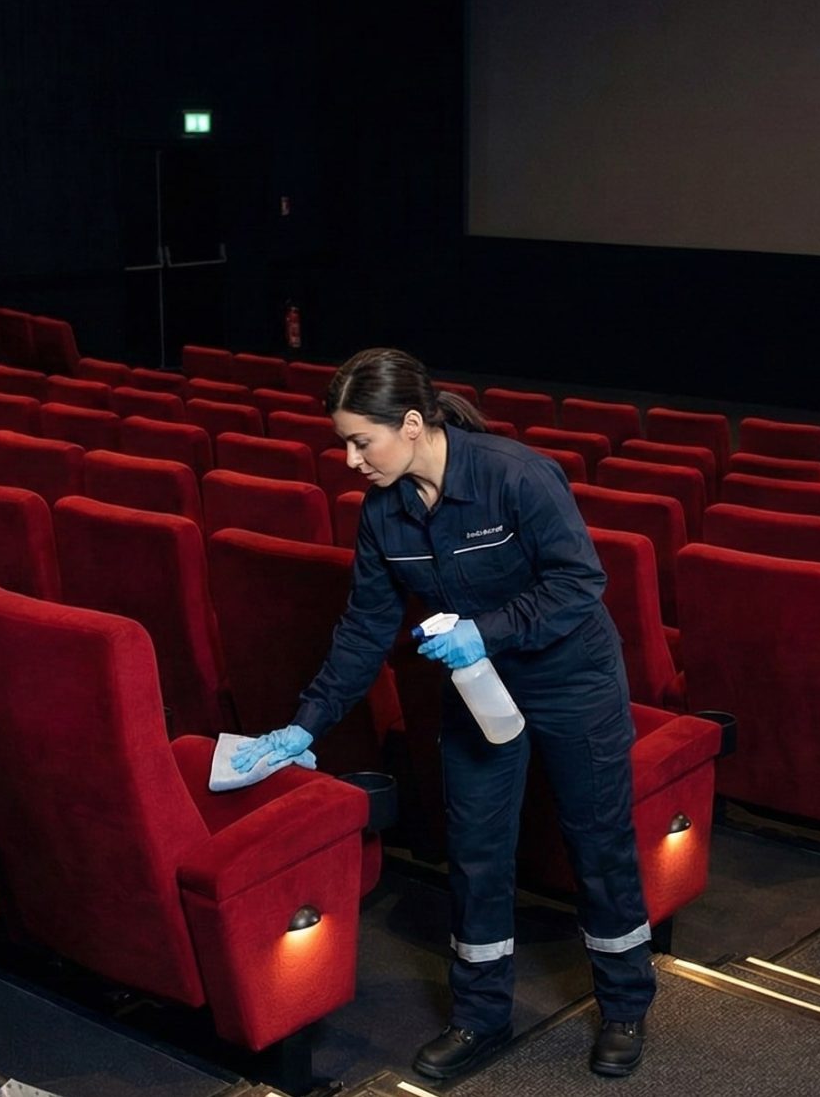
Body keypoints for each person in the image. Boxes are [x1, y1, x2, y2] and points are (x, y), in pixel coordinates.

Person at [230, 348, 655, 1080]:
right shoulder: (382, 512)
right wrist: (307, 724)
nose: (353, 461)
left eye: (362, 442)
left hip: (570, 678)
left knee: (598, 841)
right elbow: (365, 627)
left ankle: (623, 1005)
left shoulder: (514, 475)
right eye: (345, 445)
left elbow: (580, 582)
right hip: (480, 687)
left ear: (415, 424)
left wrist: (483, 631)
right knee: (478, 849)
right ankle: (480, 1017)